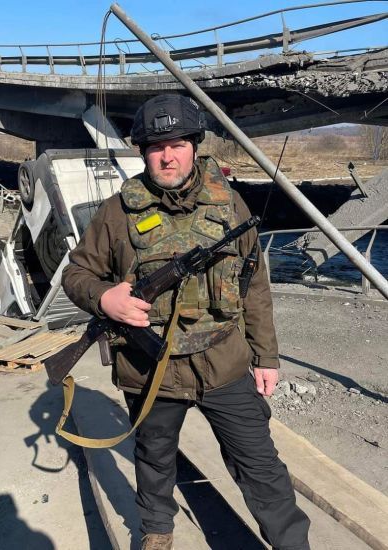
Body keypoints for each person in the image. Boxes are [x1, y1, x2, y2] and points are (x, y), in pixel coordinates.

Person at [61, 94, 310, 550]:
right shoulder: (117, 213)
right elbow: (76, 274)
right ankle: (157, 530)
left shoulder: (230, 205)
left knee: (260, 465)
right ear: (142, 152)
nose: (167, 156)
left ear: (194, 146)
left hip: (225, 361)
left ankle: (292, 543)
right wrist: (105, 299)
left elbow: (254, 286)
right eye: (156, 147)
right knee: (154, 458)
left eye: (177, 144)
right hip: (150, 369)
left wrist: (266, 357)